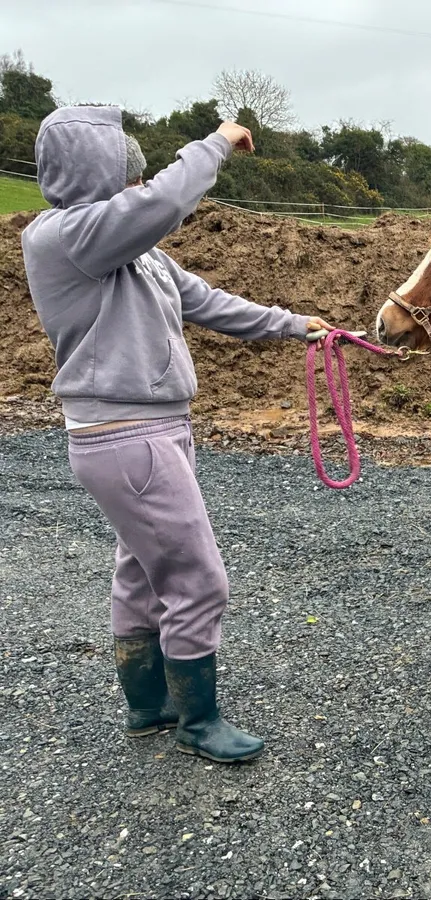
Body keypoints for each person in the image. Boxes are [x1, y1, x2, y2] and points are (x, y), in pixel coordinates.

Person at [21, 105, 333, 763]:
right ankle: (198, 722)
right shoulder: (65, 237)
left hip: (152, 431)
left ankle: (148, 708)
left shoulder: (138, 256)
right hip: (124, 435)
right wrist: (217, 142)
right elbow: (165, 200)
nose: (138, 193)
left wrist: (295, 323)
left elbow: (211, 303)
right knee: (198, 578)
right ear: (100, 177)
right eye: (128, 182)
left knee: (143, 572)